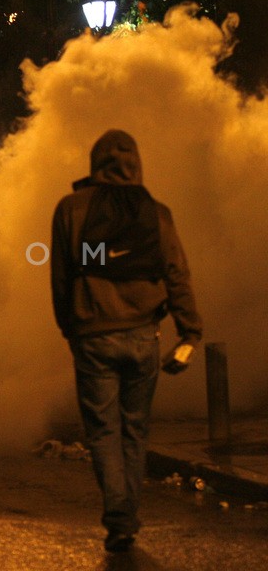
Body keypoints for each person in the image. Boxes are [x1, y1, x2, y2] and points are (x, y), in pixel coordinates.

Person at [50, 129, 202, 553]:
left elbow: (62, 277)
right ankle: (127, 516)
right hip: (143, 336)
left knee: (103, 431)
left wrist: (71, 328)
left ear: (94, 161)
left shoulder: (71, 209)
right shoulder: (157, 212)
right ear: (137, 163)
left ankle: (120, 518)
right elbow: (176, 274)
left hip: (93, 336)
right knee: (135, 431)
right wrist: (190, 332)